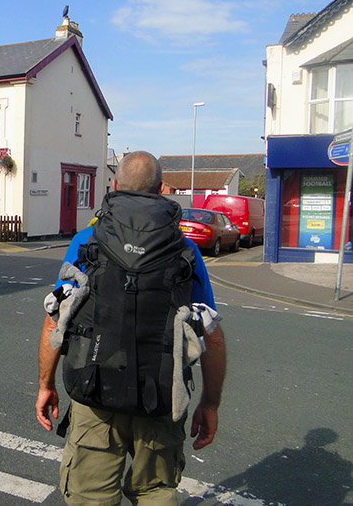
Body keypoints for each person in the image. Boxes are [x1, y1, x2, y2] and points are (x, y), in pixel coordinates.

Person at [35, 151, 227, 506]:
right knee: (155, 493)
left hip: (95, 389)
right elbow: (210, 331)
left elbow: (57, 317)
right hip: (161, 395)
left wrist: (46, 385)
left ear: (114, 185)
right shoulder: (184, 250)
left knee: (90, 497)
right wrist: (210, 403)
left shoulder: (86, 242)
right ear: (161, 190)